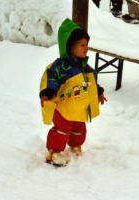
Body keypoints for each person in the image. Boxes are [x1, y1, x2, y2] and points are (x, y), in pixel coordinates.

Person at [39, 18, 107, 166]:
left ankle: (75, 146)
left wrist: (99, 92)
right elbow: (51, 77)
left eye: (86, 45)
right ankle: (53, 152)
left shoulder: (85, 67)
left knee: (79, 127)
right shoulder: (61, 66)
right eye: (82, 45)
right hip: (62, 107)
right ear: (70, 48)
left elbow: (92, 82)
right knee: (63, 128)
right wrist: (47, 92)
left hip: (77, 106)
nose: (86, 48)